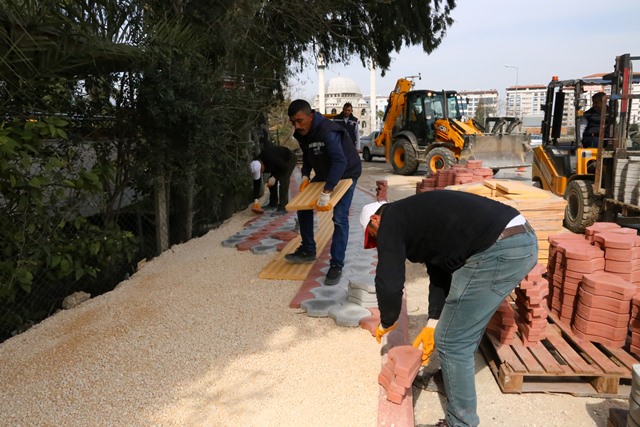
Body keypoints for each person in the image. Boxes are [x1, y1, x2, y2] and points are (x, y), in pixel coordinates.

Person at [361, 190, 538, 427]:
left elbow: (388, 278)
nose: (377, 243)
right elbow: (441, 270)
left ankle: (460, 423)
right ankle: (450, 378)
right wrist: (433, 319)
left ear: (375, 220)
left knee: (452, 340)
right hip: (518, 239)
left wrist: (387, 319)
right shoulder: (414, 216)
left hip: (498, 248)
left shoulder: (390, 219)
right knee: (461, 327)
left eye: (374, 237)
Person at [285, 99, 362, 286]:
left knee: (339, 217)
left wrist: (327, 191)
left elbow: (339, 161)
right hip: (324, 172)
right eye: (293, 122)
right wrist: (304, 175)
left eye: (300, 120)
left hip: (346, 172)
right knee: (303, 206)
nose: (297, 125)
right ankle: (308, 249)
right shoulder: (301, 133)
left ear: (311, 116)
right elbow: (308, 155)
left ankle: (336, 264)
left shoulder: (328, 130)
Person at [256, 145, 297, 213]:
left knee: (283, 180)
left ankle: (283, 207)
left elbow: (285, 167)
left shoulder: (270, 158)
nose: (261, 172)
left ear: (261, 163)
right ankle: (273, 203)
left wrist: (274, 177)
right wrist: (256, 200)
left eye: (261, 170)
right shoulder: (256, 162)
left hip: (289, 159)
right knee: (271, 182)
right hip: (278, 165)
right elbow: (256, 182)